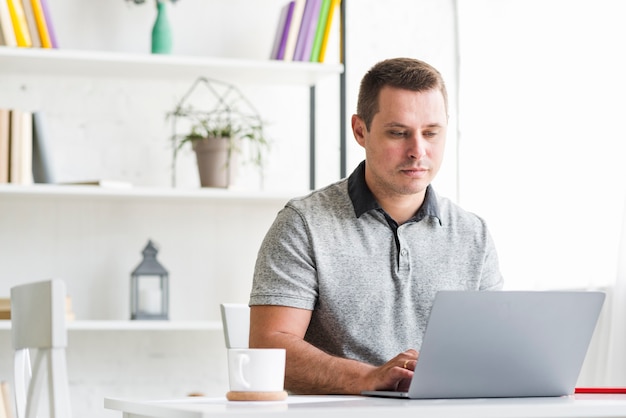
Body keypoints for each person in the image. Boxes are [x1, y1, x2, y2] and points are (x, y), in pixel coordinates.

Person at [248, 57, 503, 395]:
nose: (418, 151)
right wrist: (366, 379)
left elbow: (496, 350)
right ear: (360, 131)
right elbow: (267, 349)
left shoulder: (474, 235)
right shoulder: (303, 224)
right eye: (399, 133)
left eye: (431, 133)